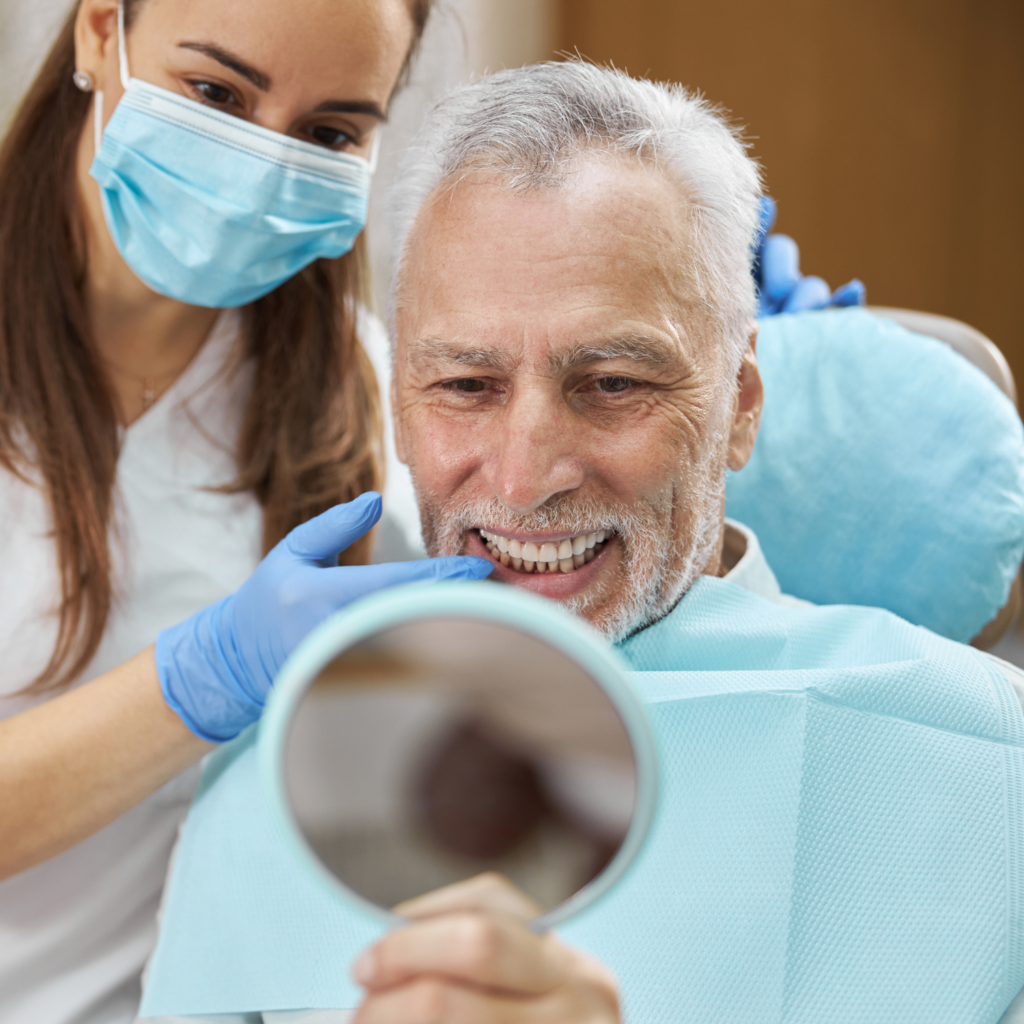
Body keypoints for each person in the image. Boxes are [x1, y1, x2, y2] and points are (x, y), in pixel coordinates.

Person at [141, 60, 1024, 1024]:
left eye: (611, 384)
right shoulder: (279, 778)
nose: (524, 480)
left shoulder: (989, 768)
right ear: (399, 412)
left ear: (738, 404)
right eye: (466, 388)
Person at [0, 1, 507, 1021]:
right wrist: (203, 676)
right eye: (215, 92)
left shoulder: (361, 397)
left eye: (328, 133)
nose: (262, 166)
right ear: (102, 32)